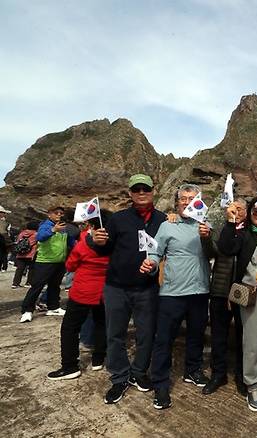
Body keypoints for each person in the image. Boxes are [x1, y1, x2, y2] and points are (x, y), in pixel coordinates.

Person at [89, 174, 166, 404]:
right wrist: (97, 242)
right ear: (130, 193)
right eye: (137, 189)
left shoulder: (163, 220)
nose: (141, 192)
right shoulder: (118, 219)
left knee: (146, 335)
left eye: (146, 188)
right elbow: (104, 249)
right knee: (115, 335)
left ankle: (139, 372)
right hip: (116, 288)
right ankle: (120, 377)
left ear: (153, 191)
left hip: (147, 288)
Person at [140, 184, 211, 410]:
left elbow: (217, 251)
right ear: (177, 202)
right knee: (164, 340)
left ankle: (193, 370)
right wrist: (150, 265)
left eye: (193, 198)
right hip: (172, 293)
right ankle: (161, 383)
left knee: (196, 336)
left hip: (200, 291)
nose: (187, 201)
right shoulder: (166, 225)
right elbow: (155, 253)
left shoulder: (206, 225)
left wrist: (208, 236)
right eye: (183, 198)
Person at [216, 199, 257, 412]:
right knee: (251, 343)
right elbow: (225, 247)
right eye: (256, 210)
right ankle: (251, 383)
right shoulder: (244, 235)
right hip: (251, 295)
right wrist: (231, 222)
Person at [46, 213, 111, 380]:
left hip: (83, 291)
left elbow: (70, 265)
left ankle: (69, 366)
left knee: (70, 328)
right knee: (101, 323)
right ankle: (98, 359)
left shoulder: (84, 245)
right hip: (104, 292)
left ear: (92, 227)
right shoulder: (114, 245)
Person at [200, 198, 248, 396]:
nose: (235, 211)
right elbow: (214, 252)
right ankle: (218, 374)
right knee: (218, 335)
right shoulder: (222, 228)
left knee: (243, 337)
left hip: (242, 291)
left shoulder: (251, 231)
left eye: (240, 208)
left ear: (247, 211)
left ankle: (241, 375)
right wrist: (205, 238)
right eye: (232, 207)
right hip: (220, 289)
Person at [20, 206, 76, 322]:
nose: (59, 215)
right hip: (45, 261)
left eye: (61, 213)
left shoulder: (63, 227)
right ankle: (27, 310)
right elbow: (40, 237)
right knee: (37, 286)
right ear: (49, 214)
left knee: (55, 286)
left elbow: (71, 241)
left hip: (59, 261)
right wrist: (53, 230)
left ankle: (53, 307)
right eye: (56, 213)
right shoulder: (45, 225)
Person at [12, 221, 39, 289]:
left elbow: (18, 241)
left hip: (20, 254)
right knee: (31, 269)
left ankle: (15, 283)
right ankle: (28, 283)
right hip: (31, 254)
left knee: (19, 269)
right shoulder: (36, 234)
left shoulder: (22, 233)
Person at [0, 205, 11, 271]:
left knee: (3, 254)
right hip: (3, 239)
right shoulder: (5, 222)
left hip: (3, 239)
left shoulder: (5, 222)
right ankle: (4, 266)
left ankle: (4, 266)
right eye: (3, 213)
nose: (5, 214)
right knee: (3, 254)